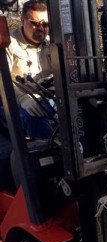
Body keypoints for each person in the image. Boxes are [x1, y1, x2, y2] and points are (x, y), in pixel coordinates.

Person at [0, 0, 53, 139]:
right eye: (35, 24)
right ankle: (51, 154)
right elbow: (2, 80)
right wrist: (23, 99)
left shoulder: (51, 45)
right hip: (13, 100)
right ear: (22, 20)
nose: (41, 28)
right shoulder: (7, 43)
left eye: (45, 24)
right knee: (33, 117)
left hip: (45, 97)